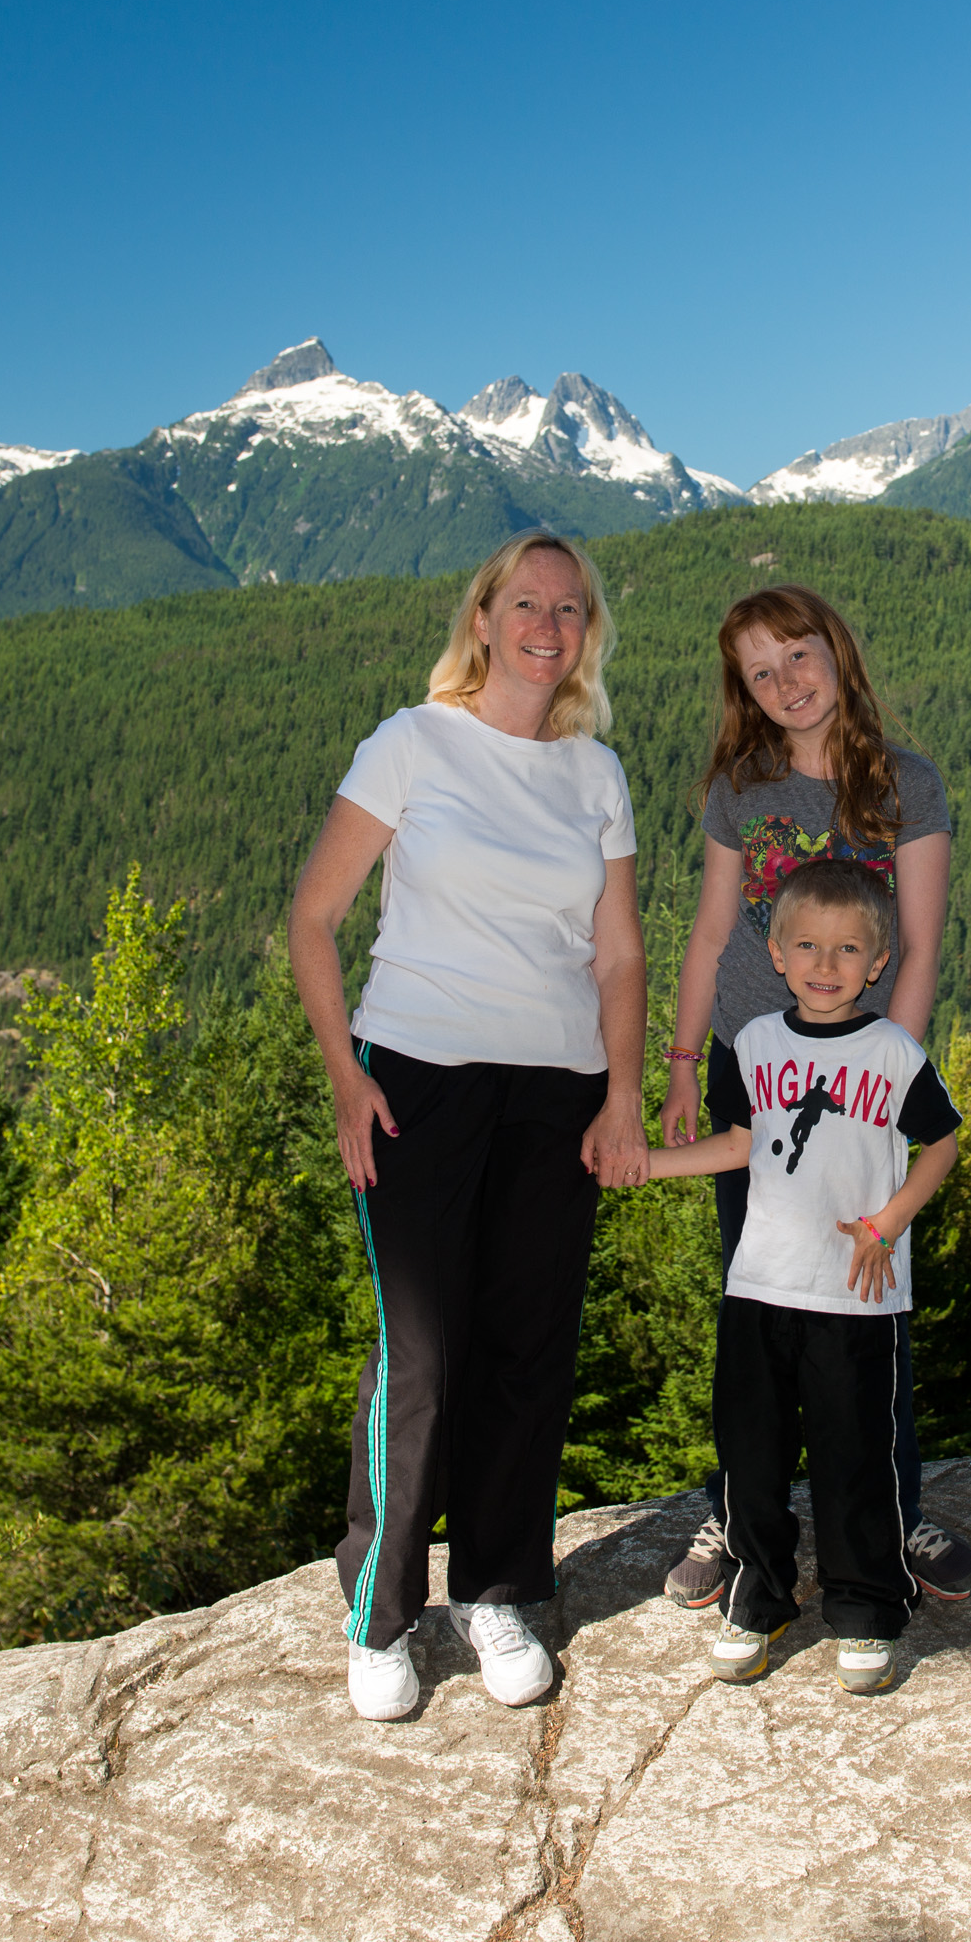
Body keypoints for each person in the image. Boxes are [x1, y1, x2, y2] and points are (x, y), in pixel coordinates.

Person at [285, 529, 651, 1723]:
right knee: (426, 1354)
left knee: (527, 1348)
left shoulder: (595, 774)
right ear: (483, 619)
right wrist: (345, 1077)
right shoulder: (412, 743)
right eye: (526, 604)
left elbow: (619, 955)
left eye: (570, 609)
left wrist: (621, 1093)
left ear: (587, 634)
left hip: (558, 1090)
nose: (548, 626)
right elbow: (313, 916)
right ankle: (382, 1614)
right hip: (419, 1078)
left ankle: (496, 1591)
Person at [653, 584, 971, 1606]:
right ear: (744, 693)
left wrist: (888, 1074)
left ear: (836, 651)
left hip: (864, 1072)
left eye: (797, 654)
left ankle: (894, 1509)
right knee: (754, 1294)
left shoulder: (907, 785)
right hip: (751, 1067)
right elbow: (713, 934)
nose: (786, 682)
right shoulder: (740, 790)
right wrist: (680, 1063)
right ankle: (736, 1510)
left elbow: (918, 945)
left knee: (868, 1295)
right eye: (761, 672)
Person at [643, 859, 962, 1695]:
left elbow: (942, 1145)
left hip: (856, 1295)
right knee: (752, 1456)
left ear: (878, 961)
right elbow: (738, 1146)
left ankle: (866, 1610)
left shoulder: (893, 1052)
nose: (827, 964)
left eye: (849, 948)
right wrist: (648, 1164)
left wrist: (889, 1222)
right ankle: (758, 1598)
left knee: (856, 1461)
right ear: (778, 954)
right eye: (809, 946)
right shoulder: (755, 1044)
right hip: (761, 1285)